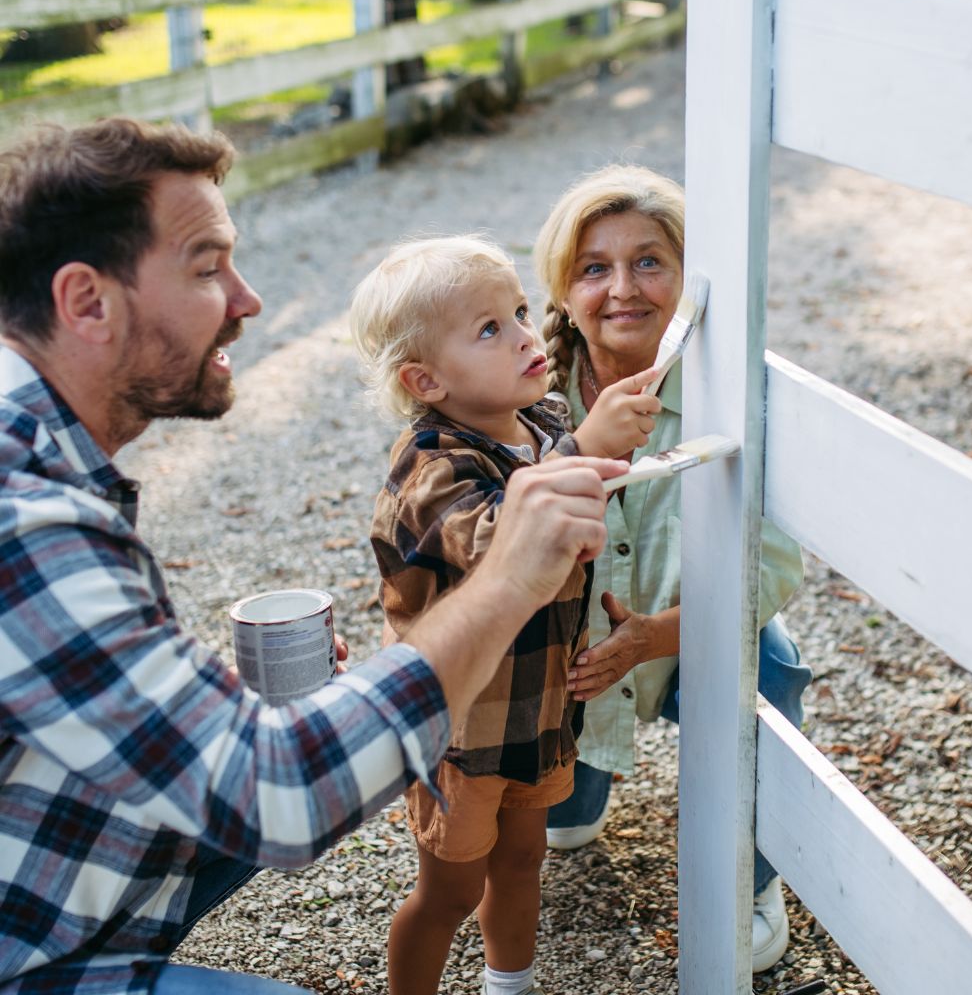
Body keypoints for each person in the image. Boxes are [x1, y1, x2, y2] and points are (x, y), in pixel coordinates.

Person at [0, 119, 625, 995]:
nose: (250, 300)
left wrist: (227, 710)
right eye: (208, 266)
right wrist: (514, 574)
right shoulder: (27, 524)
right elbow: (283, 796)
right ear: (87, 302)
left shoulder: (38, 454)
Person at [349, 237, 655, 995]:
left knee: (523, 860)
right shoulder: (432, 466)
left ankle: (507, 986)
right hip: (460, 729)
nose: (524, 334)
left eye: (518, 311)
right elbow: (499, 543)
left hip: (539, 710)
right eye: (489, 329)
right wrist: (586, 448)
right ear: (426, 378)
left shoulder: (543, 423)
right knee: (449, 891)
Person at [532, 164, 814, 974]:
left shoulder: (734, 390)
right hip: (572, 666)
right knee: (565, 821)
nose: (623, 288)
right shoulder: (525, 395)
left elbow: (775, 565)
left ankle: (751, 878)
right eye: (595, 268)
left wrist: (655, 636)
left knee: (772, 667)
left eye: (649, 262)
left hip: (688, 629)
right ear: (563, 287)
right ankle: (570, 785)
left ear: (688, 278)